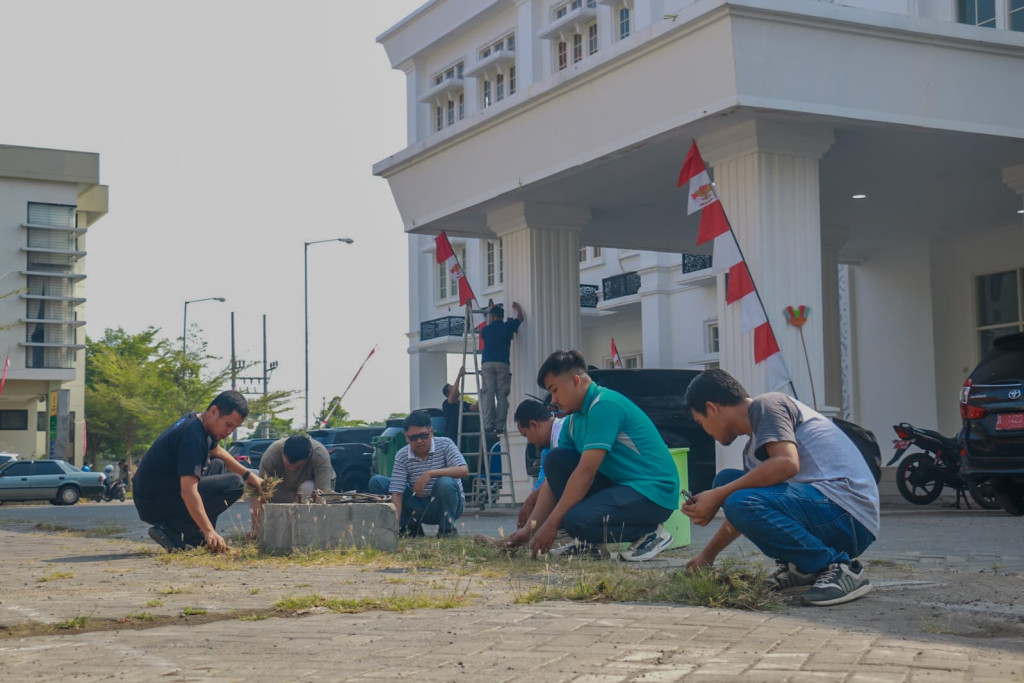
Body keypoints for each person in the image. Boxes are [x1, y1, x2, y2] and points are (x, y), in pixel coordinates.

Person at [681, 369, 879, 607]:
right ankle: (802, 568)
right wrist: (707, 556)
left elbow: (787, 463)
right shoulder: (754, 449)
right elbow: (744, 514)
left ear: (712, 408)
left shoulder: (768, 405)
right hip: (828, 515)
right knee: (727, 483)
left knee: (732, 493)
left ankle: (841, 569)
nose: (705, 431)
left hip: (848, 516)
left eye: (701, 422)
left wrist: (718, 495)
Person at [507, 350, 679, 561]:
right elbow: (554, 481)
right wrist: (528, 531)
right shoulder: (574, 420)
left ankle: (651, 534)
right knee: (556, 460)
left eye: (555, 390)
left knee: (574, 520)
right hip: (622, 486)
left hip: (652, 491)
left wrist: (552, 524)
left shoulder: (604, 405)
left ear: (575, 381)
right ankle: (589, 545)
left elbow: (585, 474)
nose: (554, 400)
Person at [133, 390, 262, 553]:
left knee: (218, 465)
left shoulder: (198, 422)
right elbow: (188, 491)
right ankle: (169, 529)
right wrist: (209, 530)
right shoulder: (192, 437)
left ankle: (195, 537)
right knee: (234, 485)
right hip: (154, 503)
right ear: (214, 411)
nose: (229, 432)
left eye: (234, 427)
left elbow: (218, 452)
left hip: (158, 494)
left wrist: (250, 476)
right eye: (228, 425)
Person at [368, 411, 469, 538]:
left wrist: (430, 474)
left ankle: (447, 532)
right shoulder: (402, 455)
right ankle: (410, 529)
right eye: (413, 438)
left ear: (431, 431)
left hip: (447, 506)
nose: (419, 441)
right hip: (419, 506)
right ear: (406, 437)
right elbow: (397, 493)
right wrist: (395, 527)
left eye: (424, 436)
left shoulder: (445, 444)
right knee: (377, 482)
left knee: (445, 482)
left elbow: (463, 470)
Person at [249, 434, 335, 537]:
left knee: (308, 487)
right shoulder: (272, 455)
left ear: (309, 455)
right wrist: (257, 530)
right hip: (283, 490)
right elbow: (260, 493)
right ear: (283, 452)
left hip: (306, 494)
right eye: (289, 466)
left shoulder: (320, 454)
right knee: (253, 481)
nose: (292, 469)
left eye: (298, 467)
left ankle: (306, 532)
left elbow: (323, 494)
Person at [512, 399, 564, 529]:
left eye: (526, 435)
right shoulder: (547, 448)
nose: (529, 441)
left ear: (534, 425)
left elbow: (558, 480)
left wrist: (531, 502)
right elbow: (542, 481)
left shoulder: (563, 433)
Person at [478, 301, 524, 433]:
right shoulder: (507, 327)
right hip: (503, 363)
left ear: (491, 316)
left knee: (488, 394)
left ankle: (488, 424)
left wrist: (491, 310)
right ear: (502, 316)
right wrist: (518, 308)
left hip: (487, 363)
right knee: (502, 395)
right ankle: (499, 425)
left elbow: (489, 329)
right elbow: (520, 319)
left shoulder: (486, 330)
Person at [441, 366, 478, 443]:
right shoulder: (446, 404)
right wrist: (459, 376)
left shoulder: (462, 403)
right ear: (448, 394)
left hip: (462, 436)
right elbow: (452, 396)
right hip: (452, 437)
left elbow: (474, 408)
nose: (455, 387)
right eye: (452, 387)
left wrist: (482, 396)